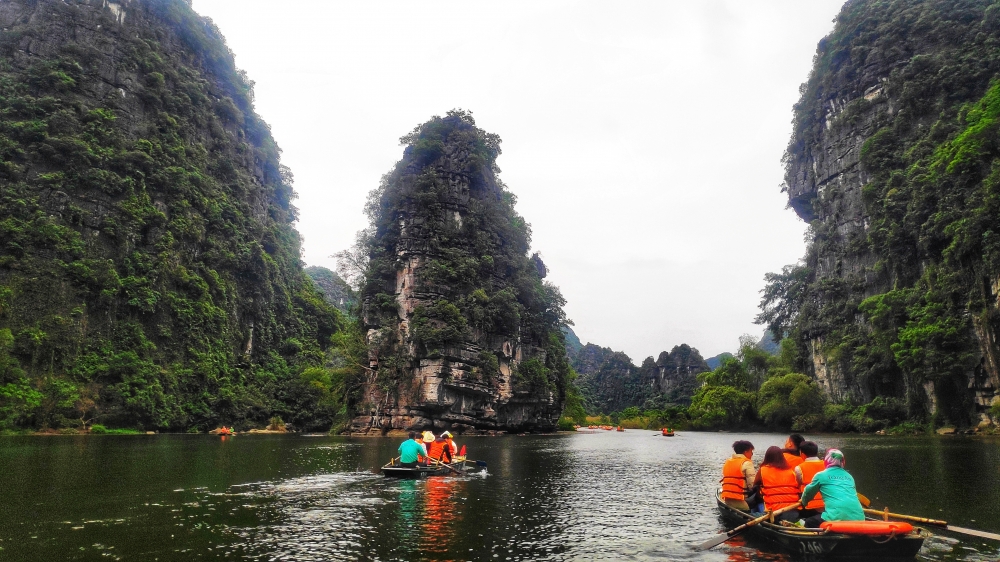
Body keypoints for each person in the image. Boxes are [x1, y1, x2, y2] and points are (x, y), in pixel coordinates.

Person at [799, 448, 865, 528]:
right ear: (843, 461)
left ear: (826, 460)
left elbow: (808, 493)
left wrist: (803, 502)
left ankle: (819, 540)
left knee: (809, 522)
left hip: (836, 518)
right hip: (859, 518)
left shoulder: (821, 475)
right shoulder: (849, 477)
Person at [752, 446, 801, 522]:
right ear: (782, 457)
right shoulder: (791, 471)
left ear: (767, 457)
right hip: (793, 509)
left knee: (753, 509)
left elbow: (754, 485)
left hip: (773, 512)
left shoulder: (763, 470)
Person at [720, 440, 756, 511]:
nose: (752, 454)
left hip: (727, 499)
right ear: (746, 452)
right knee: (760, 494)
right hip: (741, 501)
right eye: (751, 451)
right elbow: (752, 485)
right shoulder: (747, 463)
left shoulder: (727, 462)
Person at [794, 441, 825, 519]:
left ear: (803, 454)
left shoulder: (799, 468)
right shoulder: (826, 465)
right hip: (826, 502)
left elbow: (798, 483)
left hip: (809, 504)